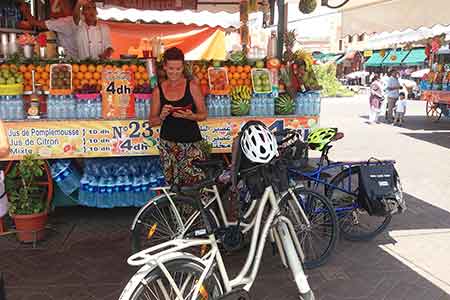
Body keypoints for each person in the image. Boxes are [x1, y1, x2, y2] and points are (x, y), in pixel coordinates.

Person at [149, 47, 208, 186]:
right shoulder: (158, 90)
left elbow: (203, 114)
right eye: (171, 69)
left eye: (178, 69)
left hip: (191, 144)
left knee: (195, 187)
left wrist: (191, 116)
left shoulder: (192, 86)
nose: (174, 73)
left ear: (183, 67)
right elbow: (152, 121)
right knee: (173, 189)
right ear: (164, 67)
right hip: (168, 146)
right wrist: (162, 116)